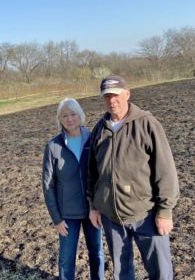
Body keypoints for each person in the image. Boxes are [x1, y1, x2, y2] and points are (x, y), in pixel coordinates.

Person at [87, 75, 180, 280]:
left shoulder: (147, 124)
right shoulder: (99, 130)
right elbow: (92, 172)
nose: (112, 100)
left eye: (116, 95)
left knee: (161, 272)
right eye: (107, 96)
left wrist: (164, 211)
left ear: (127, 94)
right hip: (112, 217)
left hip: (145, 213)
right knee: (122, 272)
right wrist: (94, 206)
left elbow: (165, 169)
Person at [42, 98, 104, 280]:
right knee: (66, 259)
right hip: (67, 216)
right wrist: (56, 218)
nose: (70, 119)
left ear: (81, 116)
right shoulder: (53, 146)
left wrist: (99, 206)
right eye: (64, 116)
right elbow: (48, 185)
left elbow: (101, 175)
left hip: (93, 210)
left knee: (97, 254)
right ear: (59, 119)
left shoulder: (93, 140)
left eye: (73, 114)